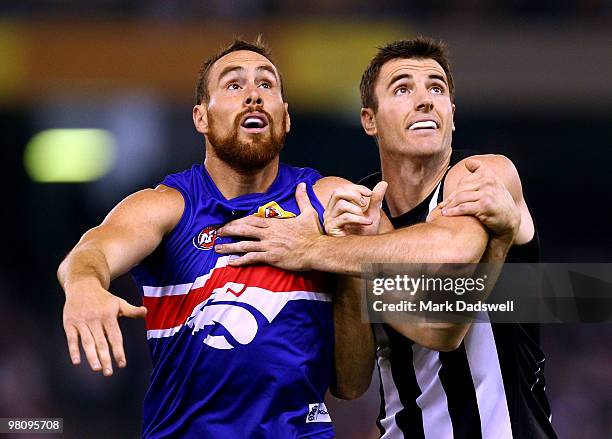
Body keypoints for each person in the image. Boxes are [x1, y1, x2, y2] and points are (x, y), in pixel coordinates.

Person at [216, 37, 557, 438]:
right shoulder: (358, 216)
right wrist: (345, 271)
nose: (425, 100)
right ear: (369, 120)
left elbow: (446, 299)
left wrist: (317, 248)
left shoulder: (482, 176)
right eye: (402, 88)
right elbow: (350, 382)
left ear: (452, 113)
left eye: (437, 88)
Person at [57, 38, 380, 439]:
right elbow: (93, 251)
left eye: (267, 86)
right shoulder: (168, 206)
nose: (253, 96)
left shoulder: (325, 199)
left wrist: (341, 257)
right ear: (201, 118)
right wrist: (84, 284)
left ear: (286, 117)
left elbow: (352, 385)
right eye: (233, 85)